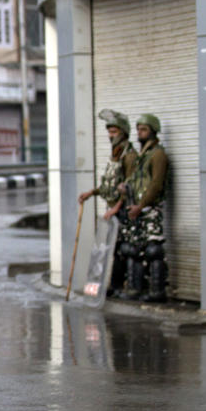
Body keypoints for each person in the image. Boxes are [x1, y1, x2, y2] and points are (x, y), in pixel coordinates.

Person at [78, 109, 137, 296]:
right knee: (108, 250)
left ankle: (121, 286)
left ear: (123, 132)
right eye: (109, 132)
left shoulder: (130, 156)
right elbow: (108, 184)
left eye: (114, 132)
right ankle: (110, 285)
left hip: (122, 211)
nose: (110, 136)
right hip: (111, 209)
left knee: (123, 250)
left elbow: (128, 186)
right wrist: (91, 193)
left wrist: (116, 208)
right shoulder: (115, 154)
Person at [118, 114, 169, 303]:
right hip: (136, 207)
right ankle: (135, 289)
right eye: (138, 129)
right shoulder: (142, 155)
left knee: (153, 250)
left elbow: (156, 184)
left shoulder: (158, 155)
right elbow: (134, 179)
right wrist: (125, 188)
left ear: (153, 131)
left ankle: (157, 291)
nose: (139, 133)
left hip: (150, 208)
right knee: (133, 249)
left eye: (144, 129)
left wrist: (141, 205)